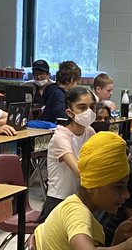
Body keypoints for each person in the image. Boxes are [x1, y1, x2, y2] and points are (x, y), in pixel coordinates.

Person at [40, 86, 96, 221]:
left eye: (92, 107)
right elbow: (79, 172)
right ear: (69, 112)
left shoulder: (89, 131)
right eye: (82, 107)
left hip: (79, 198)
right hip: (59, 201)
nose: (88, 112)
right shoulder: (61, 137)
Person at [32, 59, 66, 124]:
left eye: (41, 74)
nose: (38, 77)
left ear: (48, 74)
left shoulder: (54, 88)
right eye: (36, 74)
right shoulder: (26, 86)